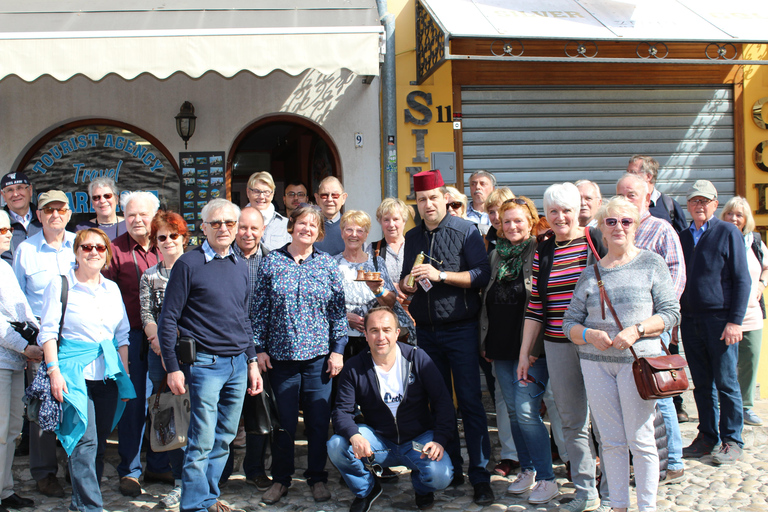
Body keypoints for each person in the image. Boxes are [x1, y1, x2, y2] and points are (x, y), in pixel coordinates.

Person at [562, 195, 680, 512]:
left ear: (636, 226)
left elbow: (671, 313)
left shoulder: (651, 263)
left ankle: (646, 507)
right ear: (601, 227)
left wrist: (637, 330)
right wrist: (589, 334)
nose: (618, 227)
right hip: (596, 365)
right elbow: (568, 323)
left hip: (636, 364)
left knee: (641, 440)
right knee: (611, 441)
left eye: (626, 221)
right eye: (611, 221)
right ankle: (618, 506)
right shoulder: (590, 274)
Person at [158, 198, 263, 512]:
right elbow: (168, 319)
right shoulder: (188, 264)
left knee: (224, 439)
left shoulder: (239, 265)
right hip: (204, 365)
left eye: (229, 223)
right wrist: (173, 368)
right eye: (215, 223)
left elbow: (243, 319)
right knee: (201, 441)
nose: (223, 228)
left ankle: (206, 497)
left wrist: (253, 361)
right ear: (203, 227)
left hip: (236, 365)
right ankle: (194, 506)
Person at [400, 169, 494, 506]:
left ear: (445, 199)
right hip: (426, 332)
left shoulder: (466, 230)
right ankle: (451, 467)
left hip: (461, 329)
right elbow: (405, 282)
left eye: (433, 198)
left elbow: (482, 274)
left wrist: (442, 275)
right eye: (421, 200)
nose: (427, 205)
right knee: (440, 406)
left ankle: (481, 476)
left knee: (470, 403)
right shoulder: (412, 238)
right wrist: (408, 284)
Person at [518, 182, 608, 512]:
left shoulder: (593, 240)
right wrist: (525, 353)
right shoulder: (544, 248)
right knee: (572, 421)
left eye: (566, 210)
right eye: (553, 211)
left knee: (604, 419)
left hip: (597, 345)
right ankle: (586, 491)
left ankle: (612, 489)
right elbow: (536, 305)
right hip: (557, 345)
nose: (560, 217)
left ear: (579, 211)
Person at [251, 205, 348, 505]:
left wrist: (338, 351)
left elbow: (338, 314)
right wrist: (259, 349)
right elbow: (259, 311)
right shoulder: (271, 263)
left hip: (319, 359)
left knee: (319, 421)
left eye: (313, 225)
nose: (307, 228)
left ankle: (317, 477)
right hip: (281, 359)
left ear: (319, 233)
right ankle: (281, 479)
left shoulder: (328, 265)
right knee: (284, 423)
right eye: (302, 223)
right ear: (292, 226)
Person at [39, 228, 135, 512]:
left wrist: (125, 376)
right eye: (86, 247)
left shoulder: (112, 288)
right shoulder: (61, 285)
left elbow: (123, 336)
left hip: (107, 373)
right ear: (77, 252)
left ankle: (79, 501)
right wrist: (54, 372)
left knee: (100, 442)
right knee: (85, 439)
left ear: (106, 253)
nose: (93, 252)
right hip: (73, 373)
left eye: (100, 247)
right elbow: (47, 333)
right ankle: (90, 506)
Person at [328, 306, 454, 512]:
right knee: (336, 446)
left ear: (397, 333)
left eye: (386, 330)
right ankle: (367, 490)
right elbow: (342, 411)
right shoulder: (354, 367)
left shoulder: (417, 358)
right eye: (374, 330)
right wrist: (354, 435)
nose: (381, 337)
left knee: (440, 476)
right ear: (365, 335)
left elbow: (443, 403)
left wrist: (440, 440)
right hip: (379, 440)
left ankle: (422, 487)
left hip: (417, 440)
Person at [480, 197, 559, 504]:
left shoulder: (539, 250)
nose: (512, 226)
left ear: (530, 221)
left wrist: (534, 348)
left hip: (531, 346)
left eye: (518, 220)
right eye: (506, 221)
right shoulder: (496, 254)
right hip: (500, 344)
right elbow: (486, 301)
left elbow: (543, 302)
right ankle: (527, 471)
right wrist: (484, 342)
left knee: (527, 412)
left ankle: (547, 477)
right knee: (513, 411)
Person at [616, 173, 687, 485]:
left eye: (632, 194)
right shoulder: (616, 230)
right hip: (621, 332)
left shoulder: (661, 229)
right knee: (637, 394)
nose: (626, 199)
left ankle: (673, 459)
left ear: (647, 198)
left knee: (659, 390)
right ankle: (645, 458)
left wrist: (654, 322)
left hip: (652, 328)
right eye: (621, 194)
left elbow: (677, 278)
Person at [102, 191, 168, 497]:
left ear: (154, 217)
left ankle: (159, 462)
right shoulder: (113, 251)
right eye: (130, 215)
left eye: (143, 214)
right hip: (129, 338)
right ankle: (129, 470)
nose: (137, 220)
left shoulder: (167, 246)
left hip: (165, 339)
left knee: (162, 402)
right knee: (133, 403)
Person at [680, 180, 749, 464]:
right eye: (695, 201)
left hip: (720, 319)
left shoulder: (728, 232)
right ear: (688, 205)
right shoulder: (683, 236)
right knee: (701, 383)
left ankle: (732, 439)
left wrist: (735, 321)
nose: (700, 206)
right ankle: (707, 437)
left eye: (705, 201)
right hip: (690, 319)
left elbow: (742, 279)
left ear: (715, 204)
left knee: (726, 381)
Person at [13, 190, 76, 498]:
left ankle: (74, 466)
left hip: (76, 338)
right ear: (38, 215)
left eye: (60, 209)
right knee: (43, 408)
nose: (54, 214)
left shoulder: (81, 244)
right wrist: (30, 343)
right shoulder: (25, 250)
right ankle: (44, 473)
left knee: (74, 403)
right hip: (40, 340)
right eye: (47, 209)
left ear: (68, 212)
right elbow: (18, 301)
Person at [219, 206, 272, 491]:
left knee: (257, 411)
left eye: (254, 228)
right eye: (243, 227)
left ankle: (255, 469)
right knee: (226, 411)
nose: (248, 233)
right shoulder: (222, 258)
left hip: (261, 349)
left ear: (263, 230)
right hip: (228, 345)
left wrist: (261, 348)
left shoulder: (272, 261)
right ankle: (222, 470)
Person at [139, 211, 189, 509]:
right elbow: (146, 313)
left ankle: (203, 479)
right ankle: (179, 480)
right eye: (162, 237)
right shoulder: (150, 275)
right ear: (155, 243)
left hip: (195, 353)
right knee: (168, 417)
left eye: (174, 235)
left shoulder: (197, 268)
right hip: (160, 353)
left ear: (184, 237)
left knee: (198, 415)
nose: (168, 241)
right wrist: (158, 342)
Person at [0, 210, 41, 510]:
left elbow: (22, 310)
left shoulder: (4, 266)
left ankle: (5, 489)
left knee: (12, 430)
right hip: (5, 358)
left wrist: (40, 337)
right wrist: (23, 347)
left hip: (14, 360)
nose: (5, 235)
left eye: (6, 230)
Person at [720, 196, 766, 427]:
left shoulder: (754, 241)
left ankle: (746, 406)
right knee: (725, 365)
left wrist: (762, 284)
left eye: (739, 215)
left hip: (752, 314)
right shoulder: (719, 238)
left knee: (749, 361)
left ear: (747, 219)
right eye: (730, 213)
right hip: (727, 316)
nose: (734, 218)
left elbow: (766, 266)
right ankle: (726, 409)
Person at [335, 210, 398, 357]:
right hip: (341, 339)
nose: (354, 234)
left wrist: (378, 291)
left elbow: (390, 302)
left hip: (374, 338)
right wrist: (344, 317)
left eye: (359, 230)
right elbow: (323, 303)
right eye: (349, 229)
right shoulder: (332, 263)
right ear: (342, 233)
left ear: (366, 234)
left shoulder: (376, 262)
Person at [626, 155, 687, 233]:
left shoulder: (669, 206)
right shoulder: (624, 202)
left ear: (648, 176)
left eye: (633, 172)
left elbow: (683, 239)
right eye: (627, 172)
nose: (627, 177)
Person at [367, 198, 409, 302]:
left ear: (404, 221)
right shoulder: (373, 249)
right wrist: (390, 286)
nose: (391, 225)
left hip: (413, 311)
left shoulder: (415, 246)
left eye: (396, 219)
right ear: (380, 222)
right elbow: (366, 281)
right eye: (386, 220)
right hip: (384, 309)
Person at [1, 172, 42, 263]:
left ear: (30, 190)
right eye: (10, 190)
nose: (15, 194)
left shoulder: (44, 219)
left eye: (20, 188)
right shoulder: (1, 225)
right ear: (3, 195)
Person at [245, 171, 291, 251]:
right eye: (256, 191)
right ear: (248, 192)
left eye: (266, 192)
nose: (262, 196)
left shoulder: (285, 225)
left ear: (273, 195)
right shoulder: (236, 222)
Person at [313, 176, 348, 255]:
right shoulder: (309, 226)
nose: (329, 199)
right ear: (317, 198)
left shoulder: (351, 227)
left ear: (343, 198)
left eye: (335, 195)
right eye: (324, 195)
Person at [483, 187, 515, 255]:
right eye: (491, 212)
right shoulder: (484, 242)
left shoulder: (526, 240)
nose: (496, 217)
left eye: (500, 211)